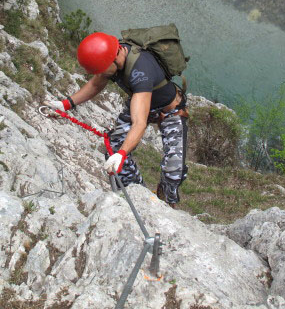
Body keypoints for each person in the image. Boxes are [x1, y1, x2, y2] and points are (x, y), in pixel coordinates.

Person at [46, 32, 188, 207]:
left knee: (174, 171)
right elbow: (97, 83)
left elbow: (139, 123)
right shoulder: (111, 56)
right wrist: (66, 104)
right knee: (114, 148)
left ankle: (166, 201)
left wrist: (122, 154)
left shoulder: (140, 71)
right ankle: (136, 196)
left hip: (170, 110)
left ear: (117, 55)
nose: (101, 74)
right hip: (141, 101)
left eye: (103, 70)